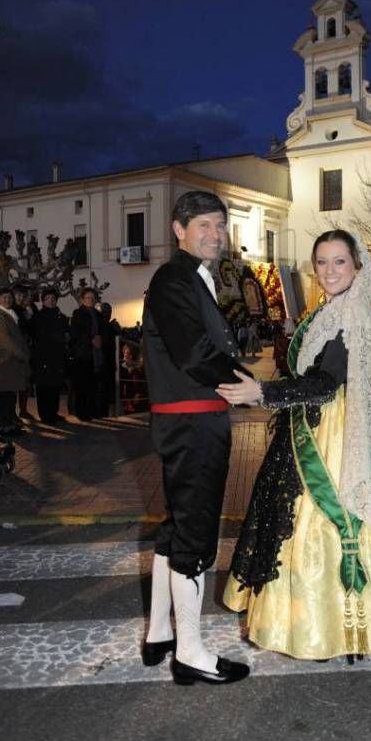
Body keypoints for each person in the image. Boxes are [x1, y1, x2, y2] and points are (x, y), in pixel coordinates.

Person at [218, 230, 371, 661]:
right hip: (332, 424)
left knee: (332, 525)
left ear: (357, 267)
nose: (329, 271)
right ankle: (342, 628)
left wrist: (261, 394)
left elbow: (324, 385)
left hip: (344, 436)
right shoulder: (331, 310)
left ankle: (341, 629)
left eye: (339, 262)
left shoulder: (353, 314)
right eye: (321, 262)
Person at [142, 189, 251, 686]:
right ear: (178, 229)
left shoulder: (187, 278)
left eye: (220, 225)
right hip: (193, 421)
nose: (215, 233)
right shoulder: (175, 277)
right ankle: (190, 653)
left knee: (176, 525)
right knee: (196, 533)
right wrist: (246, 387)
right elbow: (194, 353)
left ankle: (160, 632)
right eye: (203, 224)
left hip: (184, 419)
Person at [30, 288, 69, 424]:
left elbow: (66, 333)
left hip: (57, 357)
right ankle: (45, 415)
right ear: (43, 301)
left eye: (53, 299)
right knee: (44, 387)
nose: (51, 301)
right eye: (48, 299)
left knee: (55, 386)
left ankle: (53, 412)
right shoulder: (38, 317)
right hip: (43, 357)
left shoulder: (61, 316)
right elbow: (39, 337)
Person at [69, 288, 107, 421]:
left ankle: (93, 410)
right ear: (82, 299)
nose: (90, 300)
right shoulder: (78, 313)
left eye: (92, 298)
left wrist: (100, 338)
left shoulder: (98, 314)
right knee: (82, 385)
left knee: (94, 384)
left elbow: (103, 331)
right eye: (87, 298)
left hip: (96, 354)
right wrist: (92, 339)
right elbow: (76, 333)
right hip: (83, 353)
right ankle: (81, 412)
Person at [0, 287, 30, 437]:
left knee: (10, 396)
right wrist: (20, 353)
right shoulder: (0, 315)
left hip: (11, 362)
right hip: (5, 362)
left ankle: (10, 424)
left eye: (9, 297)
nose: (7, 299)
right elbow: (5, 339)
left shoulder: (10, 314)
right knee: (5, 396)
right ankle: (5, 426)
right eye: (4, 297)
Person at [11, 283, 35, 421]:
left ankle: (23, 410)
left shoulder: (28, 309)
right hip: (14, 351)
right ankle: (13, 413)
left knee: (25, 382)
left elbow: (32, 329)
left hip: (26, 349)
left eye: (23, 295)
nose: (20, 298)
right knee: (14, 384)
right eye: (18, 295)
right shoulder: (11, 310)